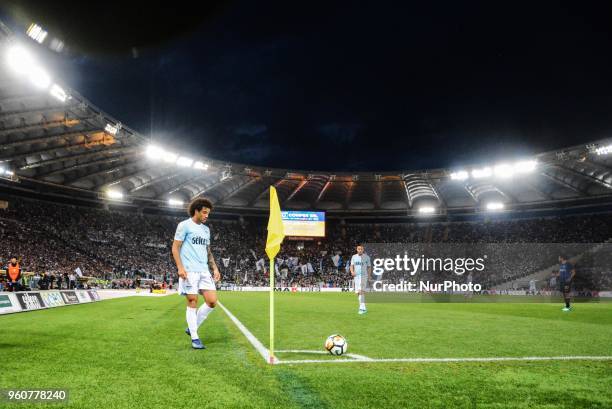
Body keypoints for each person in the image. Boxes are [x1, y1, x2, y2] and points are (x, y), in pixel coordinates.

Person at [172, 197, 221, 350]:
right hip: (189, 270)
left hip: (203, 270)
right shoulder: (184, 225)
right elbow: (175, 248)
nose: (207, 216)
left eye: (208, 213)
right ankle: (195, 337)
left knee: (212, 301)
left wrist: (215, 268)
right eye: (205, 213)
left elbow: (208, 251)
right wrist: (180, 267)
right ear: (196, 211)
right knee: (192, 301)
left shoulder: (206, 230)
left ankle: (192, 326)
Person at [350, 244, 371, 315]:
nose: (360, 250)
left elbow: (369, 267)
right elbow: (351, 266)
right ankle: (363, 307)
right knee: (358, 293)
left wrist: (369, 275)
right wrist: (352, 272)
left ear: (363, 250)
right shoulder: (354, 257)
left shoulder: (367, 257)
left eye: (361, 249)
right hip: (356, 276)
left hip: (364, 276)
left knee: (361, 291)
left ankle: (361, 308)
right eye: (358, 249)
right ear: (357, 249)